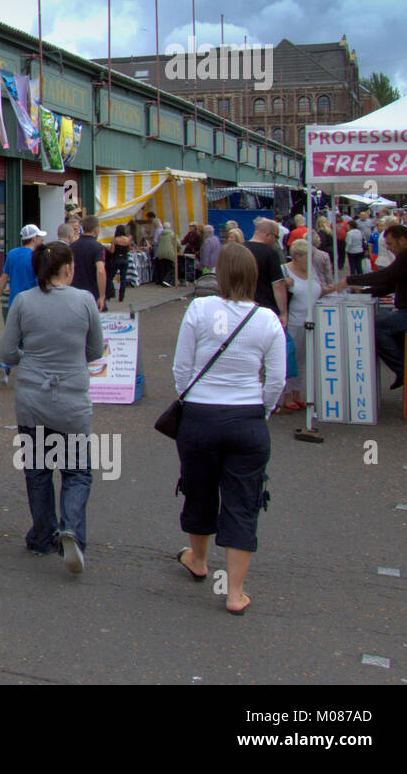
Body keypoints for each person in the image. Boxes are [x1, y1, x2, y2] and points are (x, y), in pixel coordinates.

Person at [172, 243, 285, 615]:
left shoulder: (199, 309)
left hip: (201, 415)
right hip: (247, 418)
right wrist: (262, 411)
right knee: (243, 500)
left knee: (199, 489)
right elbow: (276, 380)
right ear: (253, 276)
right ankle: (235, 592)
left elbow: (181, 368)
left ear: (219, 274)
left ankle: (199, 560)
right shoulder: (267, 319)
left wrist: (190, 400)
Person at [0, 241, 104, 574]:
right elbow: (96, 350)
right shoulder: (85, 300)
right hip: (71, 399)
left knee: (38, 470)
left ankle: (43, 536)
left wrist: (27, 361)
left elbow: (7, 351)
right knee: (76, 471)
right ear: (68, 268)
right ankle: (71, 528)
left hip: (32, 397)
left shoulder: (23, 301)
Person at [330, 224, 407, 390]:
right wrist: (366, 293)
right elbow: (392, 285)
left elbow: (386, 276)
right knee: (388, 327)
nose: (389, 248)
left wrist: (350, 280)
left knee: (372, 325)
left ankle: (404, 366)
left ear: (402, 240)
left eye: (391, 244)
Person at [0, 225, 46, 386]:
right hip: (32, 302)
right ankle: (28, 371)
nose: (42, 240)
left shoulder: (13, 254)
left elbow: (4, 276)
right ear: (34, 238)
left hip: (13, 301)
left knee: (15, 338)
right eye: (40, 237)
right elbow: (40, 280)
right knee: (31, 338)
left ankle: (6, 365)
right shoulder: (37, 256)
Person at [279, 239, 322, 410]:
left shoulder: (311, 271)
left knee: (305, 359)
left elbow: (317, 289)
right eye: (307, 257)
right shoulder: (285, 271)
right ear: (296, 256)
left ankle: (298, 392)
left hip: (311, 320)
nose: (310, 260)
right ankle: (286, 395)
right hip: (293, 321)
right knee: (291, 359)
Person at [244, 219, 288, 332]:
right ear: (268, 235)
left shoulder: (239, 249)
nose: (276, 241)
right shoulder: (270, 253)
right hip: (265, 307)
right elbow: (278, 285)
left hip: (241, 305)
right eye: (276, 237)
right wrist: (283, 312)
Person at [70, 215, 107, 311]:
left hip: (75, 293)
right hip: (92, 294)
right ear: (96, 229)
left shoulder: (72, 246)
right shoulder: (98, 247)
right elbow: (100, 271)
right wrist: (102, 296)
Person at [108, 223, 133, 302]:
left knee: (110, 277)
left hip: (116, 260)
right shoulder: (127, 239)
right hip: (125, 260)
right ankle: (121, 296)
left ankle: (111, 293)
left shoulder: (115, 240)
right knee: (123, 278)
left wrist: (107, 248)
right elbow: (129, 249)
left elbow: (112, 251)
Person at [155, 220, 180, 287]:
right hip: (169, 253)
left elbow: (156, 243)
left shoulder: (160, 235)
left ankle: (163, 281)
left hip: (160, 253)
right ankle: (166, 281)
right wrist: (179, 249)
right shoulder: (172, 234)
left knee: (163, 268)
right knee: (172, 268)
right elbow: (178, 244)